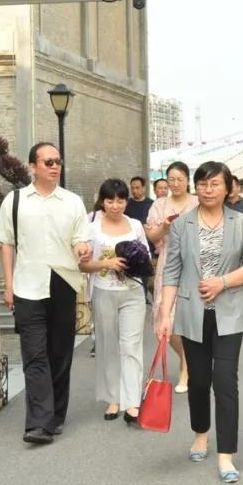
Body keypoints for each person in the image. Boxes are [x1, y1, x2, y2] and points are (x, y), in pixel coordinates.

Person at [157, 161, 243, 484]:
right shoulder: (182, 225)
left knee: (226, 381)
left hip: (229, 314)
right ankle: (200, 433)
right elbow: (172, 271)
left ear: (228, 187)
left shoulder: (240, 222)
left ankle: (226, 454)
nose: (208, 190)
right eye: (202, 184)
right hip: (192, 314)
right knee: (199, 381)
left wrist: (223, 282)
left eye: (215, 184)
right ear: (195, 187)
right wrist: (164, 314)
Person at [0, 142, 91, 445]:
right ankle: (38, 423)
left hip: (63, 281)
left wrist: (82, 248)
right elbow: (6, 243)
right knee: (34, 354)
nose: (54, 166)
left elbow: (81, 238)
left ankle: (56, 415)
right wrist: (9, 284)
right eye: (48, 162)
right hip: (27, 285)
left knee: (60, 353)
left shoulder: (73, 202)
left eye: (58, 161)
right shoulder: (15, 200)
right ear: (32, 166)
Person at [81, 179, 150, 423]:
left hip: (133, 292)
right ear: (103, 201)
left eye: (120, 200)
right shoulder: (91, 228)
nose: (115, 205)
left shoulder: (135, 225)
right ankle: (113, 398)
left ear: (126, 201)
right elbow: (82, 265)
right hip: (104, 291)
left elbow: (146, 258)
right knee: (108, 345)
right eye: (110, 200)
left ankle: (132, 401)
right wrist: (106, 263)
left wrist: (134, 261)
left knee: (131, 346)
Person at [145, 161, 198, 392]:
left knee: (187, 315)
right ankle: (187, 358)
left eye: (180, 179)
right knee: (163, 317)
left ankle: (186, 367)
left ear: (188, 180)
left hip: (194, 263)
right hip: (168, 261)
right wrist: (165, 227)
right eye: (172, 180)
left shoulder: (197, 202)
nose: (175, 184)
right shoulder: (159, 205)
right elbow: (152, 236)